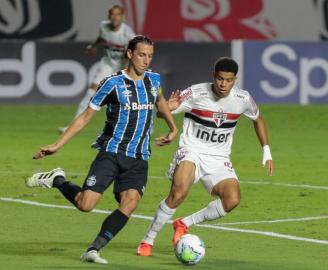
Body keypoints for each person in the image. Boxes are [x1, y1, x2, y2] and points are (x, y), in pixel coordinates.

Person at [27, 35, 178, 264]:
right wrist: (58, 144)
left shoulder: (154, 80)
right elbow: (85, 116)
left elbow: (161, 102)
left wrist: (172, 127)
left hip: (139, 157)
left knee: (130, 202)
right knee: (85, 205)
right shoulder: (112, 83)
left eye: (150, 56)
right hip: (112, 152)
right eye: (141, 55)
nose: (146, 60)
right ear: (129, 54)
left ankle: (94, 249)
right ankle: (57, 179)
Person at [136, 57, 273, 256]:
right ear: (213, 76)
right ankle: (148, 240)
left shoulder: (242, 99)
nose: (223, 84)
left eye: (228, 80)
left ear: (235, 79)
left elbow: (258, 120)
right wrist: (167, 106)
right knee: (179, 192)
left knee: (232, 199)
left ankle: (184, 223)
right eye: (219, 79)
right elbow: (161, 113)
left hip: (218, 158)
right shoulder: (195, 93)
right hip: (191, 150)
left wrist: (266, 150)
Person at [59, 5, 135, 133]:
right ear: (109, 16)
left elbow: (132, 55)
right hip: (108, 64)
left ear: (123, 17)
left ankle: (146, 126)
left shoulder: (128, 35)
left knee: (132, 96)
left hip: (123, 66)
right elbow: (102, 38)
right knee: (92, 91)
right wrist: (93, 46)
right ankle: (73, 126)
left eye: (118, 15)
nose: (115, 17)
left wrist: (127, 73)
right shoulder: (103, 27)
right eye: (113, 14)